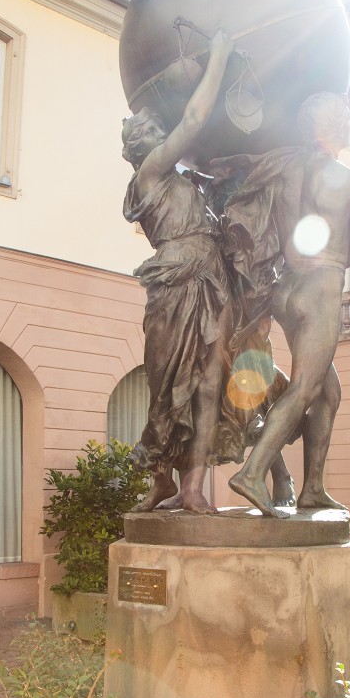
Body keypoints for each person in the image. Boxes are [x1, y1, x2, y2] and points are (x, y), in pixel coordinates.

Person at [227, 92, 350, 517]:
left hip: (285, 288)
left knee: (329, 390)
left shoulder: (282, 168)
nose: (347, 125)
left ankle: (313, 489)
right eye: (343, 120)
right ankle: (253, 473)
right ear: (334, 129)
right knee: (307, 387)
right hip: (322, 285)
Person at [121, 29, 234, 514]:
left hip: (210, 275)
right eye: (145, 133)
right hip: (174, 281)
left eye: (153, 130)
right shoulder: (148, 174)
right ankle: (162, 479)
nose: (156, 135)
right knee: (167, 385)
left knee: (210, 383)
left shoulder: (183, 180)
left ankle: (192, 488)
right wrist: (220, 57)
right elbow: (193, 118)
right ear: (134, 149)